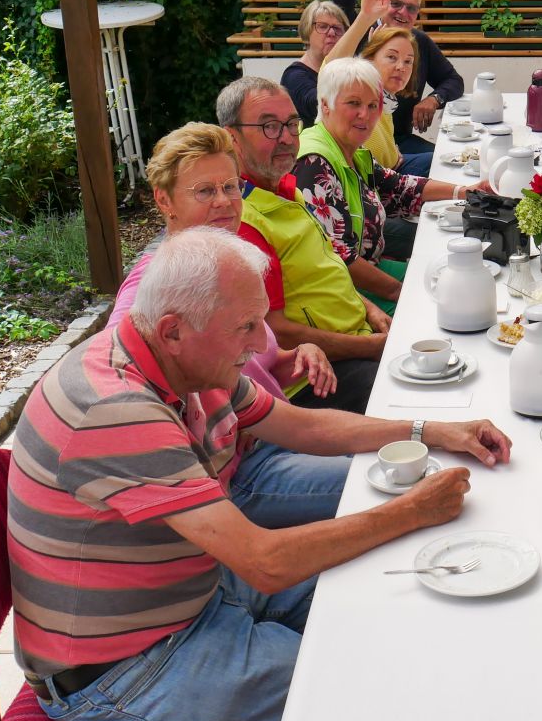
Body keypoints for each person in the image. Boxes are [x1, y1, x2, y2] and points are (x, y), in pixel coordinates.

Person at [9, 228, 512, 721]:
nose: (259, 344)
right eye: (246, 327)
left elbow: (303, 426)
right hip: (122, 667)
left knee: (392, 595)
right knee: (381, 676)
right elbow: (266, 563)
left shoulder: (176, 361)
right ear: (173, 331)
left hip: (198, 592)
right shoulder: (116, 408)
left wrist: (432, 430)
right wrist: (413, 510)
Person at [106, 122, 353, 528]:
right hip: (242, 473)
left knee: (396, 456)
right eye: (205, 191)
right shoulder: (152, 288)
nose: (224, 201)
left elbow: (256, 362)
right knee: (387, 480)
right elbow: (116, 377)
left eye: (231, 187)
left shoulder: (226, 264)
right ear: (164, 200)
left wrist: (297, 355)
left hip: (281, 431)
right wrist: (208, 437)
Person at [219, 76, 389, 412]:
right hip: (314, 377)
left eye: (291, 124)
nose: (286, 138)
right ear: (231, 137)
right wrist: (371, 348)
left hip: (356, 339)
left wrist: (371, 310)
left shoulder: (287, 188)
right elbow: (275, 332)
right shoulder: (243, 221)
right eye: (269, 127)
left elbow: (326, 271)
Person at [293, 57, 485, 312]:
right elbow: (338, 259)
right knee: (449, 304)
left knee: (461, 280)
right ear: (325, 104)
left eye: (373, 105)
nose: (365, 114)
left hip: (369, 269)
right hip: (343, 292)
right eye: (354, 103)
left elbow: (398, 188)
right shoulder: (314, 162)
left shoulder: (349, 149)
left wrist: (465, 191)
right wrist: (400, 292)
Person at [332, 0, 462, 157]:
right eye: (396, 4)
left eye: (411, 8)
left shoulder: (419, 41)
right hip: (358, 144)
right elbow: (339, 7)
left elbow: (453, 80)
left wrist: (434, 99)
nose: (403, 12)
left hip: (400, 139)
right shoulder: (360, 29)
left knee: (449, 159)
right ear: (382, 2)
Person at [280, 0, 394, 127]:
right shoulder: (294, 75)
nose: (332, 33)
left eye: (337, 28)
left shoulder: (349, 68)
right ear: (306, 32)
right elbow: (320, 106)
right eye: (322, 26)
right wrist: (365, 18)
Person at [357, 24, 433, 178]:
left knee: (445, 159)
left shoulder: (388, 100)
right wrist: (364, 17)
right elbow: (329, 65)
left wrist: (393, 150)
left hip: (394, 167)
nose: (401, 67)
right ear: (369, 59)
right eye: (392, 57)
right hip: (378, 182)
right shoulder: (359, 91)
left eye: (408, 61)